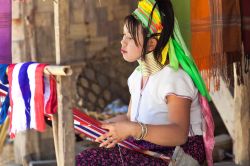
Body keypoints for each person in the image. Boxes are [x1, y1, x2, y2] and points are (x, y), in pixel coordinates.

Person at [76, 0, 214, 165]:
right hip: (148, 147)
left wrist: (133, 129)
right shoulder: (136, 77)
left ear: (151, 44)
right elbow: (129, 117)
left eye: (130, 37)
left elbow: (179, 134)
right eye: (123, 35)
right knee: (86, 158)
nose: (123, 42)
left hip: (178, 153)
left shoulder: (174, 78)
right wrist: (102, 126)